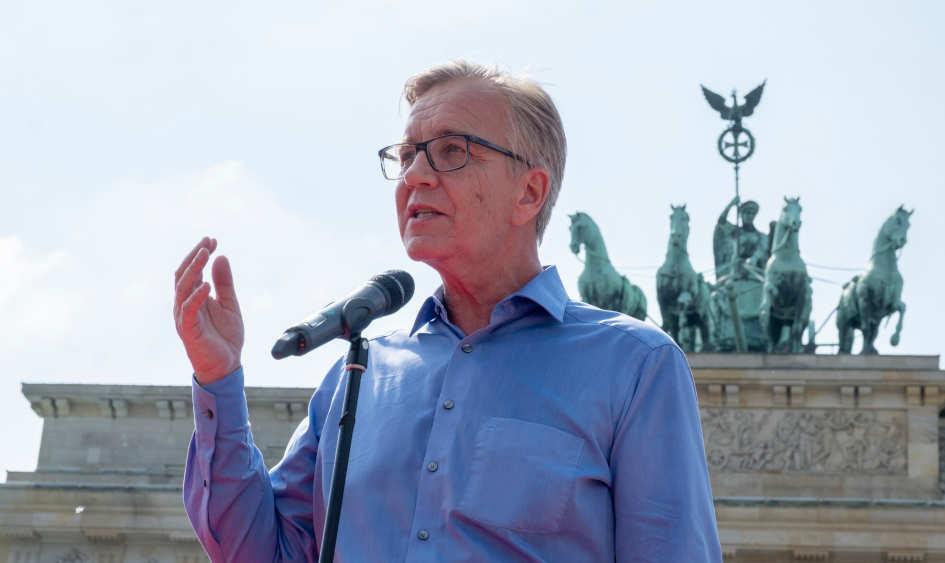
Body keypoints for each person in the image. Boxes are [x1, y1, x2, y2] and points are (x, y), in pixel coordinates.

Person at [174, 61, 721, 562]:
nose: (415, 175)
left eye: (452, 150)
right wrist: (218, 378)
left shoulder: (634, 366)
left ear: (529, 193)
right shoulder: (357, 376)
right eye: (406, 155)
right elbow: (259, 552)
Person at [713, 196, 769, 280]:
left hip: (755, 273)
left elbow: (762, 251)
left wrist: (754, 259)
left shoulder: (761, 236)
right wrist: (731, 204)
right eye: (747, 213)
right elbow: (721, 221)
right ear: (741, 215)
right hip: (736, 272)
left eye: (752, 213)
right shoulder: (735, 232)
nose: (750, 216)